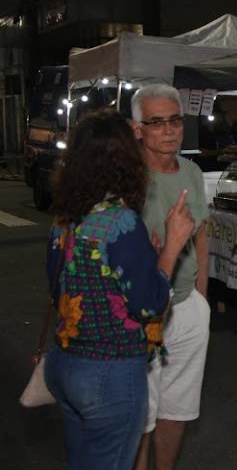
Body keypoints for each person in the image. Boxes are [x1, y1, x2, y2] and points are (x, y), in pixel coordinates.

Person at [44, 109, 194, 470]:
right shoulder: (121, 221)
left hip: (65, 364)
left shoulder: (65, 220)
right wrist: (173, 247)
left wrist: (148, 256)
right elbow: (150, 305)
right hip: (107, 374)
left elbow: (62, 290)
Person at [131, 85, 211, 470]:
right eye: (157, 122)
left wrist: (202, 298)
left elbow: (201, 236)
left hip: (187, 308)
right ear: (137, 129)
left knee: (177, 411)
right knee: (140, 415)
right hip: (142, 311)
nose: (169, 130)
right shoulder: (127, 177)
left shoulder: (192, 172)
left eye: (175, 120)